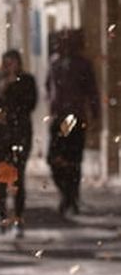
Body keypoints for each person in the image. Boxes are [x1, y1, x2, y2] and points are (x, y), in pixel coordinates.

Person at [0, 49, 37, 237]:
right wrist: (2, 90)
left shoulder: (27, 81)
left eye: (13, 62)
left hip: (20, 134)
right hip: (0, 136)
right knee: (2, 178)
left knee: (18, 178)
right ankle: (1, 216)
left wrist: (16, 88)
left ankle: (19, 219)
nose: (10, 66)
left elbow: (31, 104)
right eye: (7, 63)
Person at [46, 33, 101, 216]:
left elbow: (91, 91)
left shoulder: (83, 65)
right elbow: (49, 87)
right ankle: (67, 193)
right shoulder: (54, 64)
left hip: (75, 117)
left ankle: (71, 196)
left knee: (73, 160)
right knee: (55, 158)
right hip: (59, 117)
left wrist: (95, 114)